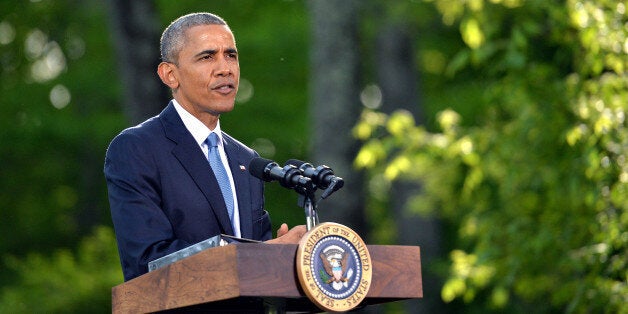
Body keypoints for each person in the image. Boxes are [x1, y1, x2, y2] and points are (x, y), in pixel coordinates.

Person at [104, 12, 306, 281]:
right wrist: (265, 254)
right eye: (207, 57)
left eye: (231, 55)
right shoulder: (136, 148)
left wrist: (285, 261)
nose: (225, 68)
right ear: (170, 75)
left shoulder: (247, 160)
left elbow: (258, 274)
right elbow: (149, 262)